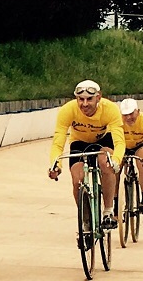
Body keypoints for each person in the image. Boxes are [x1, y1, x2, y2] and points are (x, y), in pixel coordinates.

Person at [48, 79, 124, 229]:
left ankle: (108, 211)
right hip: (79, 142)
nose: (84, 104)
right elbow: (58, 141)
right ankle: (86, 219)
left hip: (103, 140)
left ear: (98, 97)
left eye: (89, 99)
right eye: (80, 99)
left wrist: (116, 160)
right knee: (77, 180)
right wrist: (55, 165)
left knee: (106, 164)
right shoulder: (67, 110)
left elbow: (120, 141)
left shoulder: (110, 109)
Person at [116, 98, 143, 216]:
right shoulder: (117, 121)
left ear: (138, 111)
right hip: (122, 146)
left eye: (131, 114)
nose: (128, 118)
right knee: (114, 170)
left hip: (139, 145)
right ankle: (114, 204)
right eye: (125, 115)